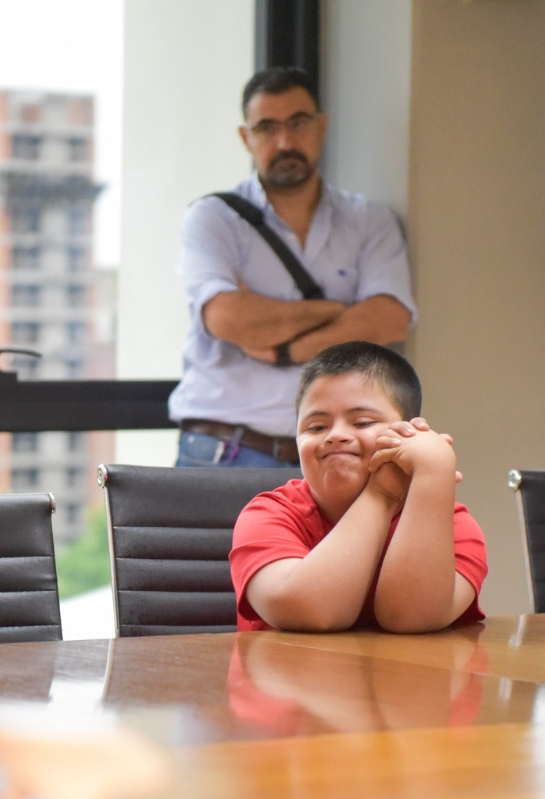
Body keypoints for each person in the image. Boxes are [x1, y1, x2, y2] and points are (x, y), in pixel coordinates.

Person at [168, 67, 416, 468]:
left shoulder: (370, 220)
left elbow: (388, 320)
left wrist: (283, 349)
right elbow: (227, 318)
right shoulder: (211, 218)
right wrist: (337, 311)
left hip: (336, 455)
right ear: (245, 138)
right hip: (225, 451)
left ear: (322, 126)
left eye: (298, 123)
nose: (284, 141)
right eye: (267, 127)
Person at [229, 341, 485, 632]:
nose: (336, 435)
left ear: (410, 432)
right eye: (316, 427)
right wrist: (382, 495)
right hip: (289, 676)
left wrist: (431, 476)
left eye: (362, 422)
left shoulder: (454, 526)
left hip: (407, 678)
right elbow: (313, 612)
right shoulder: (266, 515)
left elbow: (409, 619)